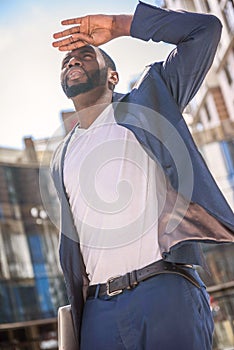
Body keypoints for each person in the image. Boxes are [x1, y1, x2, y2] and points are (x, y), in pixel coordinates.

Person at [51, 2, 234, 349]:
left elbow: (205, 32)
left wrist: (121, 25)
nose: (73, 60)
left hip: (164, 291)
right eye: (67, 61)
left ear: (112, 76)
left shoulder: (150, 101)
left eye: (87, 56)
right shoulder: (61, 157)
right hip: (98, 311)